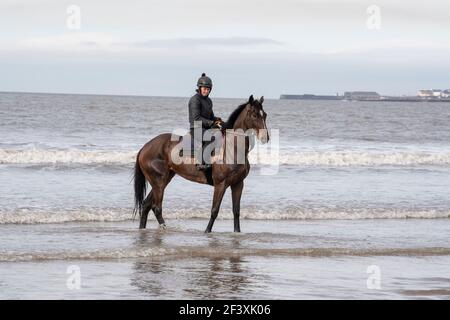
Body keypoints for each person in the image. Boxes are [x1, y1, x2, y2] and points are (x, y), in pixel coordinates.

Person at [188, 73, 224, 170]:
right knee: (211, 138)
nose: (206, 91)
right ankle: (200, 162)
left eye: (208, 89)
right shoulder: (195, 100)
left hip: (205, 127)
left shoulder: (208, 101)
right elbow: (196, 118)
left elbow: (211, 116)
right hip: (196, 128)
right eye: (204, 89)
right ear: (200, 88)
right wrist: (211, 123)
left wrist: (218, 120)